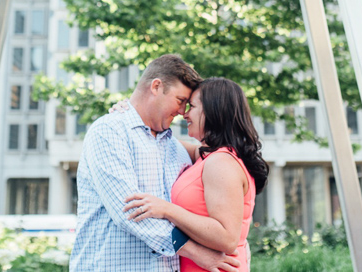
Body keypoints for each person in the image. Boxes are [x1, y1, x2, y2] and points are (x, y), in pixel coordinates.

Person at [70, 55, 240, 272]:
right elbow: (130, 212)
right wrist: (198, 253)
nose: (182, 112)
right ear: (156, 87)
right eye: (180, 101)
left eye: (187, 105)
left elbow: (225, 157)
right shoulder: (109, 131)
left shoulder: (174, 147)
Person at [123, 78, 269, 271]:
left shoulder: (221, 162)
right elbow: (159, 140)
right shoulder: (207, 157)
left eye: (191, 106)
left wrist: (167, 210)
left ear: (213, 111)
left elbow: (227, 237)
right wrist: (132, 113)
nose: (184, 114)